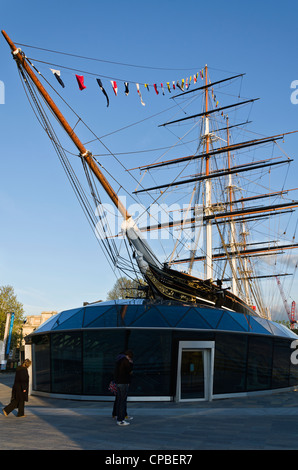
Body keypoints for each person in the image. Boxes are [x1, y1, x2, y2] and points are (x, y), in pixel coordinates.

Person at [112, 350, 133, 426]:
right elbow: (129, 370)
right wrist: (131, 363)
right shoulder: (125, 361)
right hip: (124, 382)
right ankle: (121, 419)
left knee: (119, 400)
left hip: (118, 383)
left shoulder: (118, 360)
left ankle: (118, 415)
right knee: (122, 401)